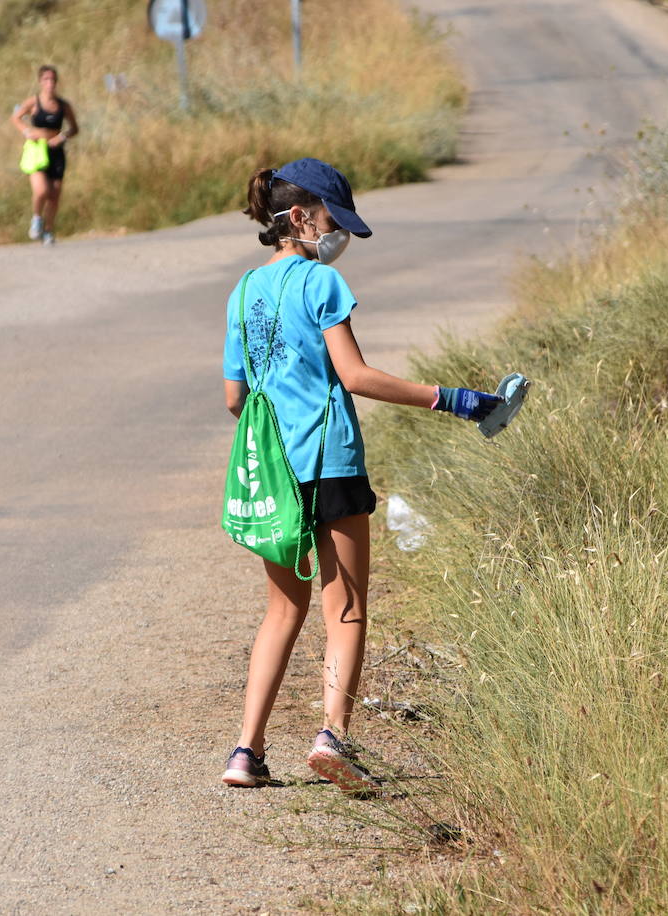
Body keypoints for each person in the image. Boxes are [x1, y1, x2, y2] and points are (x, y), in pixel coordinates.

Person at [220, 158, 503, 793]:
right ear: (300, 217)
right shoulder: (320, 284)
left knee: (281, 611)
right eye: (330, 220)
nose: (336, 234)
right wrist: (448, 398)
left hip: (277, 472)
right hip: (332, 462)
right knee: (344, 606)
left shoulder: (243, 292)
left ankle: (246, 751)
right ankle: (332, 739)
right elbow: (355, 376)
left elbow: (234, 397)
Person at [9, 65, 78, 246]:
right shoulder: (33, 102)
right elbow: (16, 118)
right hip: (37, 150)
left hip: (56, 152)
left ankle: (48, 231)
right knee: (42, 190)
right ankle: (37, 218)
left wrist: (62, 137)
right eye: (46, 79)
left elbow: (74, 128)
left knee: (54, 194)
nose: (50, 83)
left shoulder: (63, 105)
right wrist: (26, 132)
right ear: (40, 82)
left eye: (53, 80)